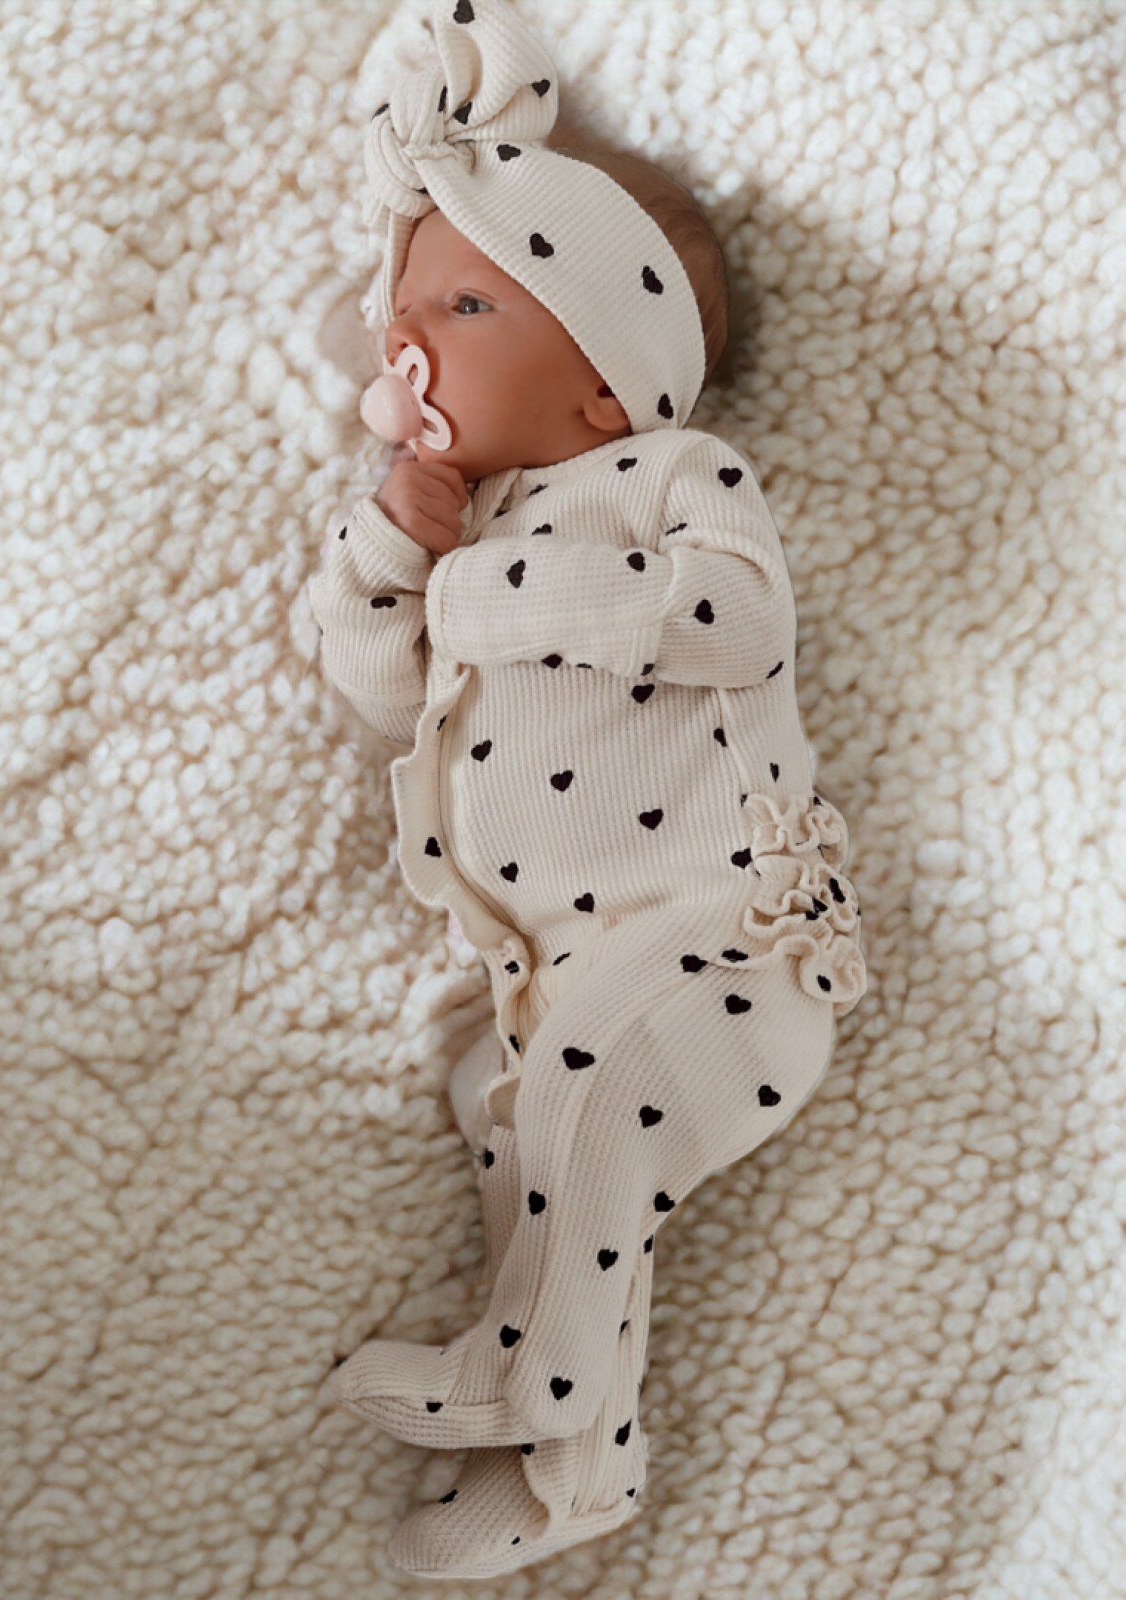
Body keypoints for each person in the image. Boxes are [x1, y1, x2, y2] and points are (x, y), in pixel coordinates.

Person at [309, 0, 867, 1578]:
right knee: (522, 1127)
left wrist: (477, 599)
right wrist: (390, 558)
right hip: (550, 975)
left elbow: (741, 621)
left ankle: (522, 1364)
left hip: (727, 943)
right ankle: (572, 1466)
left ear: (607, 383)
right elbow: (380, 695)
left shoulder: (670, 483)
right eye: (403, 308)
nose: (408, 337)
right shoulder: (457, 532)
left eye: (464, 301)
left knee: (580, 1096)